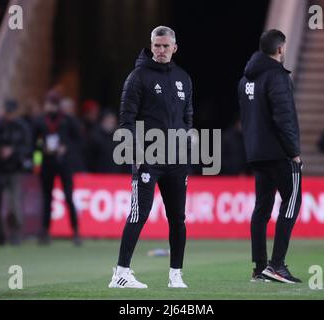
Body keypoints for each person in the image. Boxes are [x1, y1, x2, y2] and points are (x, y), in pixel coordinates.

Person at [108, 26, 193, 289]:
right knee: (139, 213)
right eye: (157, 45)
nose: (161, 50)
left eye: (166, 46)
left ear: (174, 48)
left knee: (178, 217)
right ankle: (121, 273)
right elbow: (126, 119)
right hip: (148, 156)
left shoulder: (183, 78)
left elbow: (188, 116)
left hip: (176, 159)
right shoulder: (138, 77)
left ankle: (176, 275)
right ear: (151, 45)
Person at [238, 29, 302, 283]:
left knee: (262, 208)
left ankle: (259, 267)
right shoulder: (277, 76)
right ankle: (276, 265)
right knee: (292, 201)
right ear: (280, 49)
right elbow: (283, 117)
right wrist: (294, 151)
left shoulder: (245, 80)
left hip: (257, 152)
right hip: (280, 153)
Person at [34, 90, 82, 246]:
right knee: (47, 198)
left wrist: (66, 147)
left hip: (64, 163)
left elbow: (79, 138)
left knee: (68, 196)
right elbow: (34, 142)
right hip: (47, 163)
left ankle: (75, 231)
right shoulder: (41, 121)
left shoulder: (67, 120)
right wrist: (42, 150)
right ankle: (44, 231)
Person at [0, 100, 32, 245]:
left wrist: (13, 151)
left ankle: (15, 233)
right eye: (7, 111)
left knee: (13, 203)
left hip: (13, 169)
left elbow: (27, 148)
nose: (8, 115)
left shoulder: (22, 127)